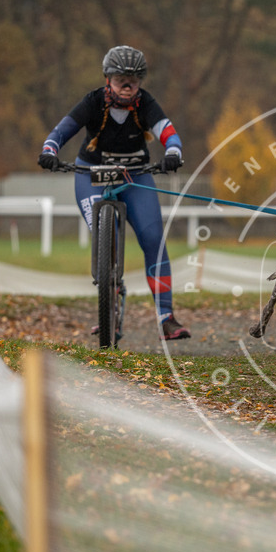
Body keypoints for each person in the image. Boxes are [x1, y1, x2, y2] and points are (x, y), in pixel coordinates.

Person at [38, 45, 191, 340]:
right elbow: (60, 132)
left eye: (135, 78)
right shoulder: (93, 101)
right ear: (107, 77)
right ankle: (110, 308)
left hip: (136, 177)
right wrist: (49, 150)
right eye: (121, 76)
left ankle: (167, 318)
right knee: (104, 234)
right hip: (91, 175)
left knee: (153, 240)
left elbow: (167, 131)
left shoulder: (145, 103)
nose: (128, 83)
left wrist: (173, 151)